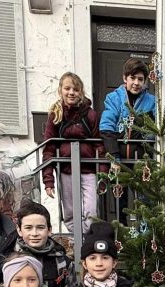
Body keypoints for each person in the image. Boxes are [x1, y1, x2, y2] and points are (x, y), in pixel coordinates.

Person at [43, 72, 106, 234]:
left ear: (81, 92)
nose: (71, 92)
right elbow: (49, 148)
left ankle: (83, 243)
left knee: (91, 213)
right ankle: (79, 243)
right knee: (70, 214)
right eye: (67, 88)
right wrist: (48, 180)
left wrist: (103, 175)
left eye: (75, 89)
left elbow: (99, 145)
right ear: (60, 90)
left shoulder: (90, 115)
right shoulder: (55, 115)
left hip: (89, 170)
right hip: (66, 170)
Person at [14, 200, 75, 287]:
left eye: (40, 228)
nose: (34, 233)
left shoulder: (63, 263)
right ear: (19, 230)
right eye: (28, 228)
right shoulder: (11, 261)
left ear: (49, 230)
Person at [99, 58, 156, 164]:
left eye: (140, 79)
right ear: (125, 78)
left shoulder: (152, 101)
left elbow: (159, 127)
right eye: (132, 78)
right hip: (119, 160)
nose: (136, 83)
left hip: (143, 162)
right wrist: (114, 157)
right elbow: (107, 126)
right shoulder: (113, 98)